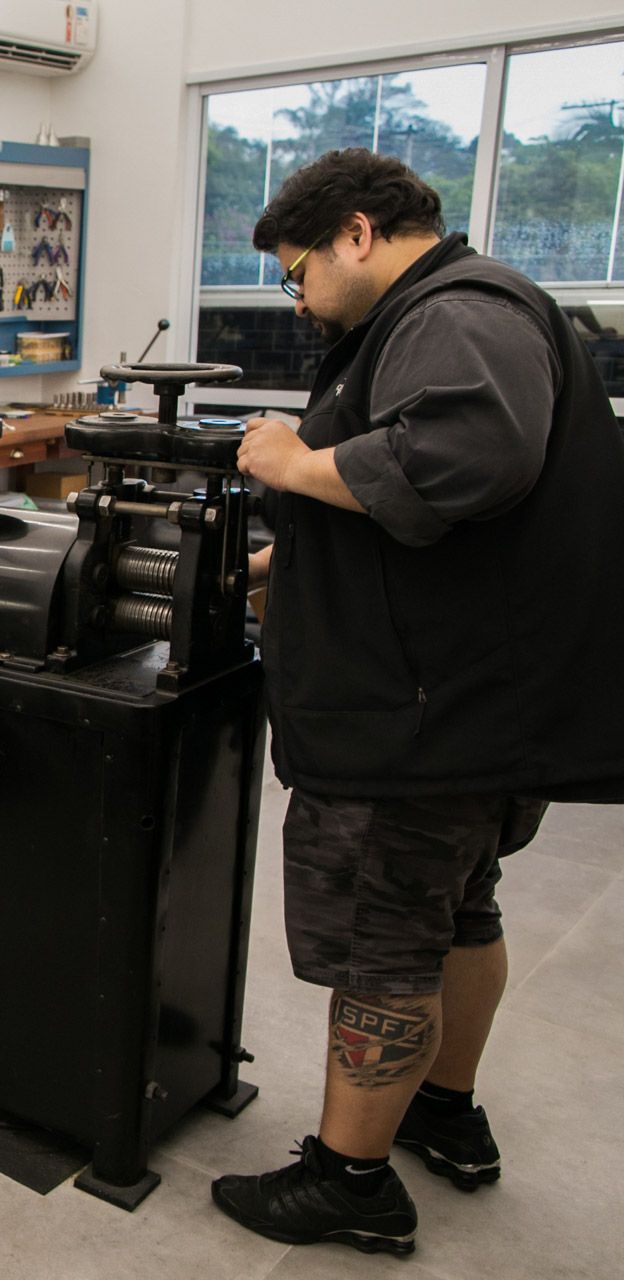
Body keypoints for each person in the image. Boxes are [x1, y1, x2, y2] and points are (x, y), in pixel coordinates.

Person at [211, 148, 624, 1255]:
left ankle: (351, 1179)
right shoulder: (445, 313)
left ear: (356, 233)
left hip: (422, 722)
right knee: (459, 911)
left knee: (384, 938)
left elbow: (467, 460)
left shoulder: (454, 313)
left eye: (298, 271)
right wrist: (282, 564)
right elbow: (431, 522)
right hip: (469, 705)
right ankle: (443, 1108)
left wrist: (292, 466)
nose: (297, 299)